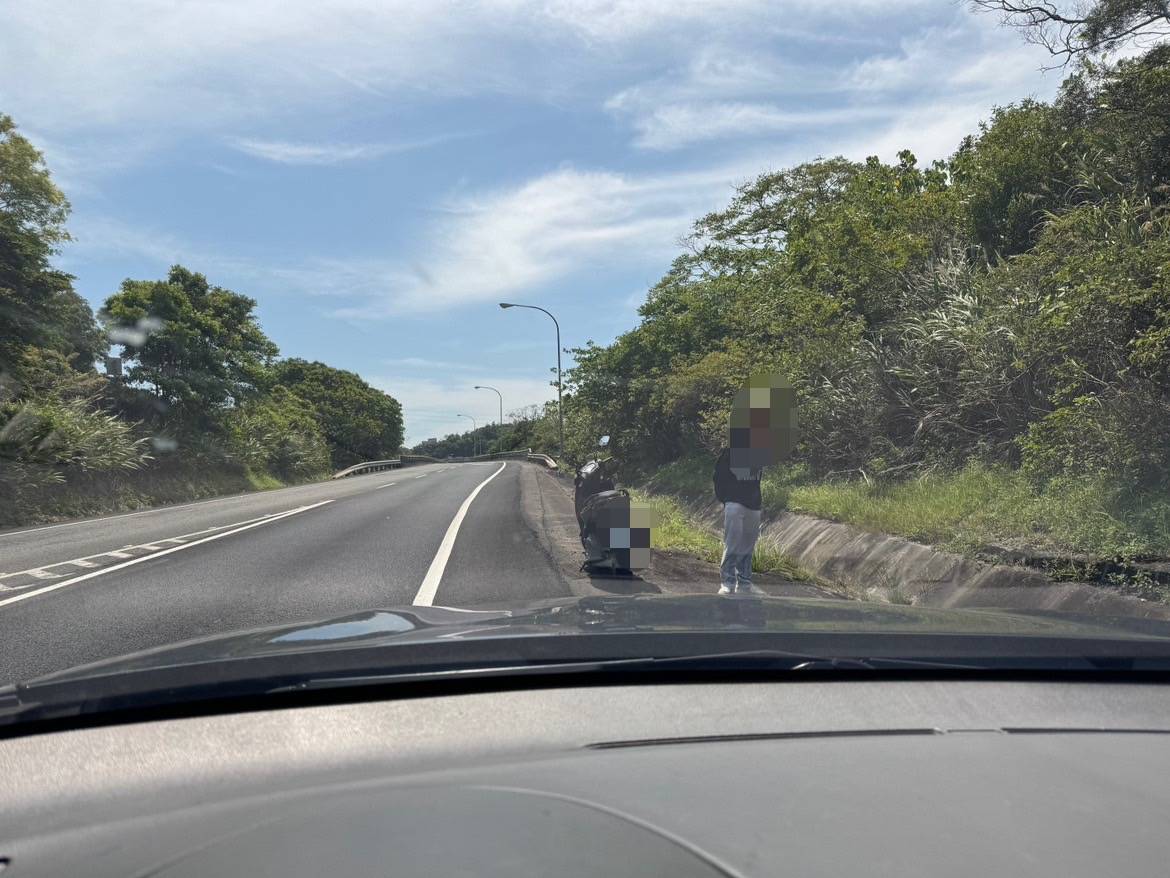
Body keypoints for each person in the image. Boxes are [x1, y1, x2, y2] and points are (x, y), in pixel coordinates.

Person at [713, 374, 798, 596]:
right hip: (735, 503)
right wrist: (726, 499)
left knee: (748, 547)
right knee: (732, 545)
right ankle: (727, 583)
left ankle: (745, 583)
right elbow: (718, 477)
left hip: (754, 504)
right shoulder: (730, 452)